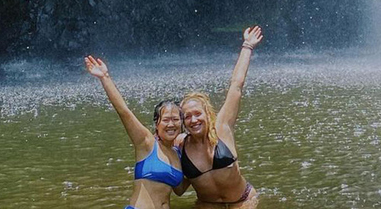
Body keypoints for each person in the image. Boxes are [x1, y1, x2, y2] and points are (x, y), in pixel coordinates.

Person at [85, 55, 187, 209]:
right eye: (166, 119)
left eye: (175, 119)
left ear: (181, 123)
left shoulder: (178, 153)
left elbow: (179, 190)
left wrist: (204, 168)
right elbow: (124, 111)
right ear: (157, 124)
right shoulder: (147, 143)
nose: (171, 124)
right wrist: (105, 78)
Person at [180, 25, 264, 208]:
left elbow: (236, 85)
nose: (194, 120)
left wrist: (247, 46)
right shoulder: (180, 144)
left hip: (242, 200)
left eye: (197, 114)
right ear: (183, 122)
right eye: (187, 117)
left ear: (207, 114)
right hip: (207, 204)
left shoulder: (222, 127)